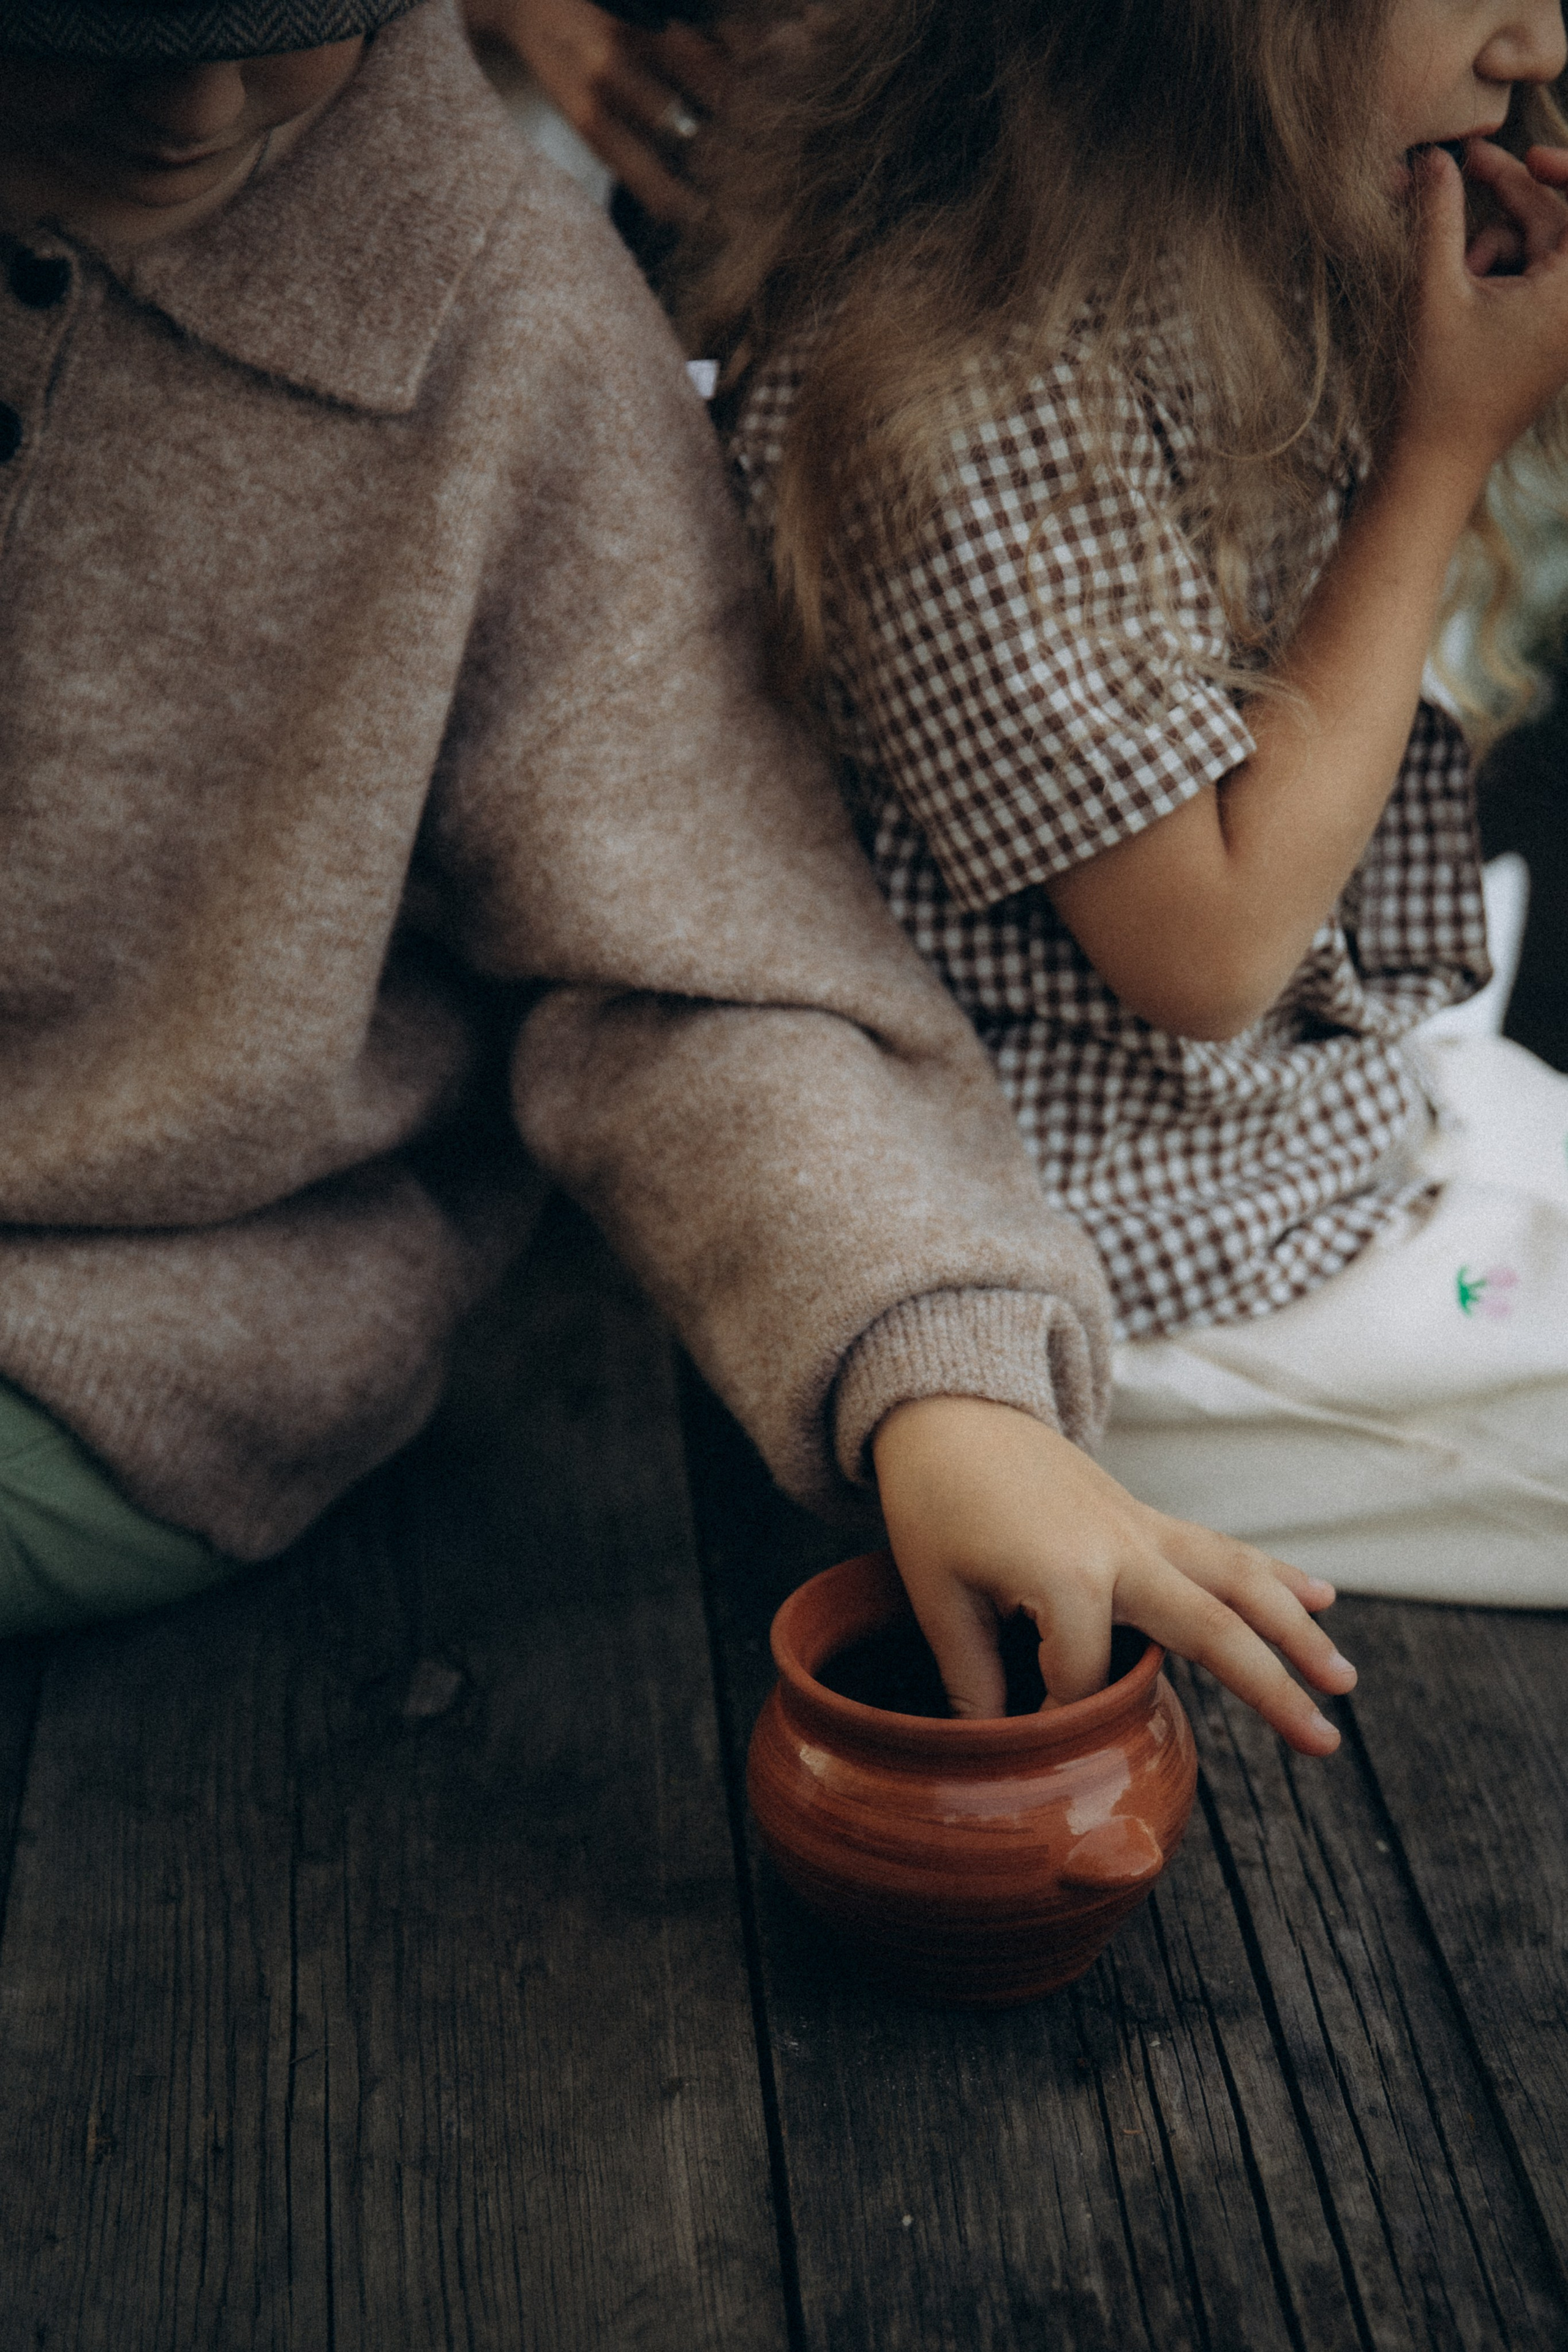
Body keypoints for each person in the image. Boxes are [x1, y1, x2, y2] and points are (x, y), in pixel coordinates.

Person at [0, 0, 1355, 1745]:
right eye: (88, 26)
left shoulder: (511, 326)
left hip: (108, 1341)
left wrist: (943, 1387)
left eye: (296, 14)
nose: (191, 99)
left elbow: (698, 966)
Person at [699, 0, 1568, 1614]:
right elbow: (1212, 953)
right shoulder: (967, 394)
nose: (1536, 47)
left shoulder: (1244, 255)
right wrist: (1443, 449)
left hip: (1332, 1128)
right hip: (1146, 1282)